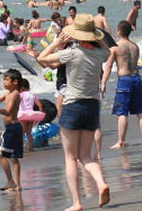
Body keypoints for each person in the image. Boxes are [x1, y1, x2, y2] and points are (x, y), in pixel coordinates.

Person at [37, 14, 110, 210]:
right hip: (92, 106)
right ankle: (101, 183)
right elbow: (108, 50)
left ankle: (77, 203)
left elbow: (41, 58)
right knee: (86, 156)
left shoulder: (71, 52)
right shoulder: (100, 54)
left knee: (70, 157)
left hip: (72, 105)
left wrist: (57, 43)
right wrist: (98, 37)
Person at [100, 20, 142, 148]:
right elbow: (134, 64)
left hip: (125, 80)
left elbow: (109, 65)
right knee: (140, 112)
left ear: (119, 31)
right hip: (136, 79)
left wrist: (103, 83)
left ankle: (121, 141)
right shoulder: (135, 46)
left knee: (122, 112)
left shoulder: (115, 47)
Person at [0, 69, 23, 193]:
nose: (3, 82)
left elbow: (7, 111)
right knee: (13, 158)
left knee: (1, 155)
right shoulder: (7, 93)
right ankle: (16, 185)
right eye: (3, 79)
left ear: (15, 82)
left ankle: (11, 182)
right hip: (13, 128)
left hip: (12, 128)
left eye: (6, 80)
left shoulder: (15, 94)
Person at [17, 78, 43, 151]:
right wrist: (40, 114)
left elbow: (17, 103)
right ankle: (31, 147)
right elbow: (39, 105)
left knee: (22, 132)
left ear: (21, 88)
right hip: (31, 116)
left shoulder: (21, 95)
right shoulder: (32, 95)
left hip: (23, 115)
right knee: (28, 132)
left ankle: (20, 147)